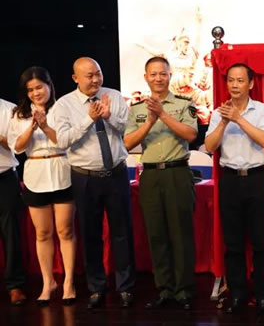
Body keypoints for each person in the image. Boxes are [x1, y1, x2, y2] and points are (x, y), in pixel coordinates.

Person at [54, 57, 136, 309]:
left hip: (116, 174)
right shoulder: (64, 105)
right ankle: (96, 287)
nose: (95, 79)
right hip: (85, 178)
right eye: (89, 75)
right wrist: (88, 119)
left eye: (98, 73)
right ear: (75, 78)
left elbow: (127, 130)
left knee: (122, 233)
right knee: (90, 234)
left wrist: (109, 117)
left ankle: (125, 287)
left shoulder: (114, 96)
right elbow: (62, 140)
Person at [124, 56, 198, 310]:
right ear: (146, 77)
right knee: (156, 233)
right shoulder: (136, 109)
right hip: (151, 175)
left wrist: (163, 114)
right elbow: (127, 143)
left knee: (180, 233)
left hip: (177, 172)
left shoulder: (184, 104)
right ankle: (165, 289)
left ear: (170, 76)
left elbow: (191, 134)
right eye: (153, 74)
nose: (158, 78)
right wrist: (150, 121)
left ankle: (184, 290)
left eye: (163, 74)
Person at [204, 63, 264, 316]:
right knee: (232, 243)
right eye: (231, 80)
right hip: (231, 180)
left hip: (256, 179)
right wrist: (224, 122)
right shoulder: (218, 113)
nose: (234, 85)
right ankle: (237, 294)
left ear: (251, 84)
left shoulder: (263, 110)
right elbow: (209, 146)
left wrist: (239, 119)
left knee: (260, 243)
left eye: (240, 80)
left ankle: (263, 296)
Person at [7, 67, 75, 306]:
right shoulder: (19, 114)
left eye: (39, 87)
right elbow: (17, 147)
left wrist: (45, 126)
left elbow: (67, 142)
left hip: (62, 170)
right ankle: (48, 282)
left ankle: (68, 282)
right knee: (43, 233)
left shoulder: (63, 108)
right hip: (35, 174)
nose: (36, 93)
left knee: (65, 231)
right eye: (30, 90)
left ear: (49, 85)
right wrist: (32, 127)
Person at [0, 98, 27, 306]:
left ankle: (15, 285)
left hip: (5, 176)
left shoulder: (10, 110)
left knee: (10, 232)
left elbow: (19, 147)